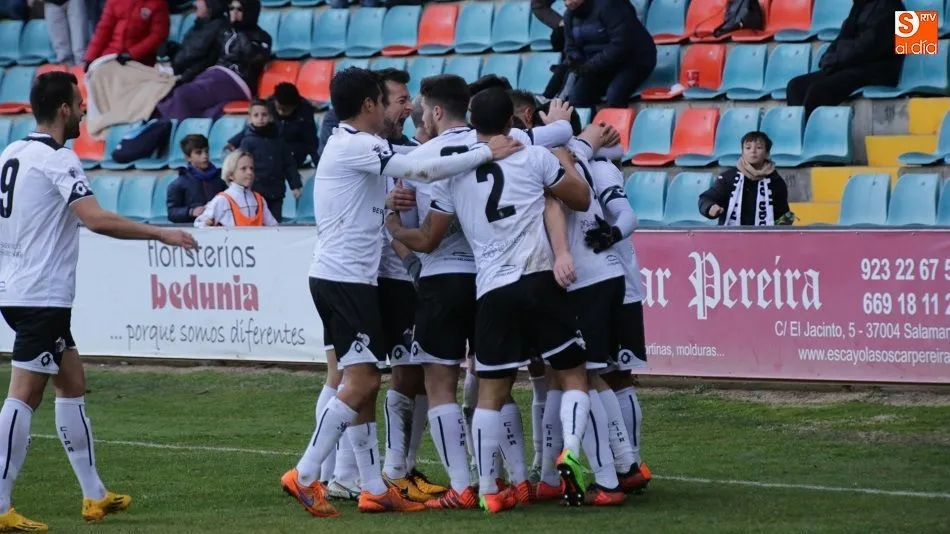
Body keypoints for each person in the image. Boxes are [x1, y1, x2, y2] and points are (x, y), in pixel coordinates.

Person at [280, 67, 522, 518]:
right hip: (343, 280)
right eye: (388, 99)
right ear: (369, 104)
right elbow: (422, 166)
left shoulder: (351, 146)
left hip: (356, 279)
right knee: (362, 380)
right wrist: (484, 151)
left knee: (365, 381)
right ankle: (306, 472)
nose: (402, 108)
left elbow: (400, 175)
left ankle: (373, 486)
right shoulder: (356, 143)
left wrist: (389, 208)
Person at [0, 72, 197, 532]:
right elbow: (94, 218)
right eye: (80, 102)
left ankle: (94, 495)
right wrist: (160, 233)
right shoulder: (58, 158)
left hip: (19, 286)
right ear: (64, 109)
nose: (85, 110)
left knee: (71, 381)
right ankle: (1, 504)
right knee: (24, 395)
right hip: (41, 294)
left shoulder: (12, 152)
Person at [387, 87, 595, 513]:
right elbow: (580, 196)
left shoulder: (447, 167)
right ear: (510, 122)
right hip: (539, 278)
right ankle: (558, 456)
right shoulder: (531, 151)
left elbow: (429, 237)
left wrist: (394, 227)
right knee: (571, 376)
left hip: (488, 287)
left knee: (483, 391)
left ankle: (481, 488)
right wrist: (562, 165)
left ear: (442, 113)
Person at [582, 152, 652, 494]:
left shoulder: (599, 168)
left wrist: (610, 234)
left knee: (614, 375)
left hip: (618, 288)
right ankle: (628, 464)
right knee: (606, 374)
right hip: (602, 287)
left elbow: (627, 214)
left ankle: (630, 463)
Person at [154, 0, 271, 121]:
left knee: (182, 96)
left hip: (237, 82)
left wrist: (241, 30)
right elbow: (208, 59)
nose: (234, 12)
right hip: (213, 75)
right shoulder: (225, 31)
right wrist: (185, 77)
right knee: (169, 95)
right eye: (232, 8)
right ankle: (168, 129)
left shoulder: (262, 37)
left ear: (250, 12)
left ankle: (172, 129)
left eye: (239, 9)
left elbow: (253, 59)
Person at [786, 0, 905, 118]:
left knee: (818, 91)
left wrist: (836, 59)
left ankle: (810, 133)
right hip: (853, 65)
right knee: (796, 86)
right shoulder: (861, 5)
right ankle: (796, 132)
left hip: (877, 71)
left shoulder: (890, 6)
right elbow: (843, 36)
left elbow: (867, 47)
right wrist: (828, 56)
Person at [560, 0, 656, 108]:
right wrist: (575, 62)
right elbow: (570, 46)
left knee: (615, 95)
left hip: (634, 59)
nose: (567, 2)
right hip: (598, 65)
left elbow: (621, 45)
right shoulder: (569, 16)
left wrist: (589, 66)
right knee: (576, 97)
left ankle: (616, 123)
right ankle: (588, 124)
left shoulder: (610, 5)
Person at [699, 131, 791, 226]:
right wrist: (710, 208)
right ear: (742, 152)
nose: (753, 151)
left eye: (759, 147)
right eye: (748, 147)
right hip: (731, 239)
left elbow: (782, 214)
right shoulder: (728, 178)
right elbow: (706, 198)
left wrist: (784, 222)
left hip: (763, 239)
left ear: (767, 153)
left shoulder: (776, 181)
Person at [233, 100, 302, 223]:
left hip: (276, 192)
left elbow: (288, 163)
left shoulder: (279, 139)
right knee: (257, 224)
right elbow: (242, 166)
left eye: (264, 115)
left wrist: (295, 185)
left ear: (270, 116)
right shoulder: (247, 141)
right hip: (255, 193)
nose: (260, 118)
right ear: (249, 119)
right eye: (256, 115)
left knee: (275, 225)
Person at [227, 83, 319, 168]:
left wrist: (319, 165)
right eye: (279, 108)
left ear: (295, 106)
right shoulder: (269, 105)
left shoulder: (304, 111)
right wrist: (234, 142)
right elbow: (252, 128)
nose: (281, 112)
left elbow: (311, 141)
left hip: (293, 151)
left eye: (286, 109)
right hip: (271, 148)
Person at [194, 150, 278, 227]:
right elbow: (199, 223)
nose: (250, 172)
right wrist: (206, 225)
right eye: (243, 169)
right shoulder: (222, 200)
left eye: (251, 168)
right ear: (230, 175)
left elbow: (274, 227)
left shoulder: (259, 200)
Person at [83, 0, 169, 67]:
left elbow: (158, 35)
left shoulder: (158, 3)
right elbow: (103, 29)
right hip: (110, 57)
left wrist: (132, 54)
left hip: (140, 63)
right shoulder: (115, 1)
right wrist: (90, 57)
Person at [166, 134, 226, 224]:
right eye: (199, 153)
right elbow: (172, 213)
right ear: (188, 157)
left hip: (219, 226)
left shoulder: (221, 177)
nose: (205, 156)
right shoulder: (178, 184)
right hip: (194, 229)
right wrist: (191, 212)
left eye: (206, 151)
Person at [166, 0, 229, 85]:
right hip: (182, 71)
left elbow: (194, 53)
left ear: (210, 6)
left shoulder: (214, 27)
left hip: (193, 79)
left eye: (199, 0)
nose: (195, 3)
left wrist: (173, 69)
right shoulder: (201, 23)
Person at [46, 0, 88, 65]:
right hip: (51, 2)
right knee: (62, 52)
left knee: (80, 49)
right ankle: (66, 71)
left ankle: (82, 70)